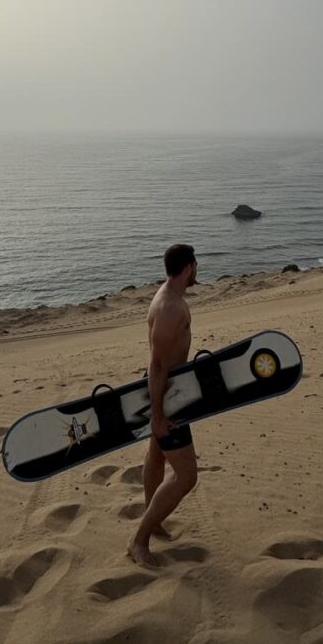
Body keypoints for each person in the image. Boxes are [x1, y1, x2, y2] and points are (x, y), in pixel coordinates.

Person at [127, 243, 199, 567]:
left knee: (156, 456)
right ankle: (138, 540)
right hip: (167, 396)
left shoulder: (170, 296)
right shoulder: (170, 307)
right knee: (186, 476)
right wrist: (157, 414)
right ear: (189, 267)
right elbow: (157, 365)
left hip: (168, 391)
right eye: (195, 265)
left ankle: (153, 523)